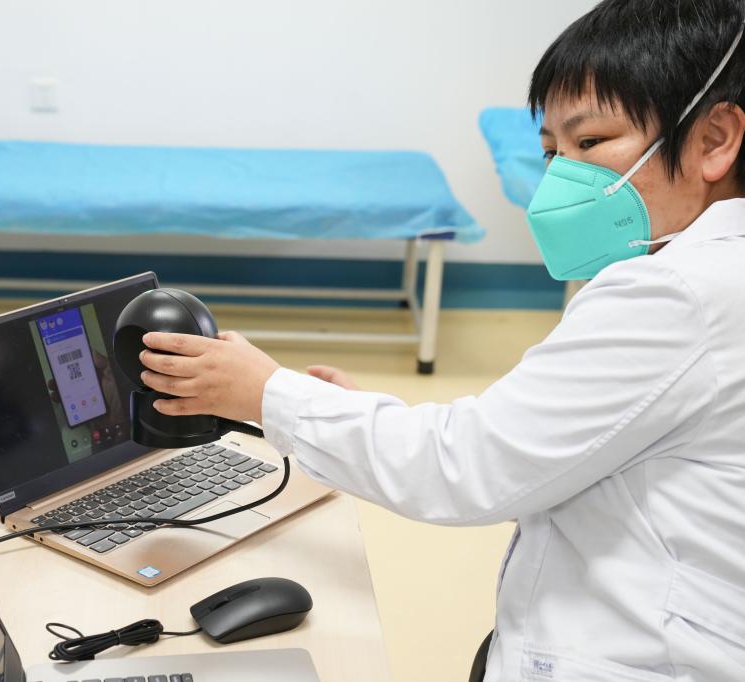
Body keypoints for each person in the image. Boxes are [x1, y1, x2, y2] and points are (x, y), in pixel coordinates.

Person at [135, 2, 745, 680]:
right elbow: (546, 440)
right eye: (551, 152)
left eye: (591, 142)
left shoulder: (675, 295)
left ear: (713, 139)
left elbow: (470, 468)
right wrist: (348, 413)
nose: (560, 177)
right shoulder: (713, 281)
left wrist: (263, 392)